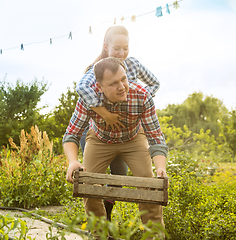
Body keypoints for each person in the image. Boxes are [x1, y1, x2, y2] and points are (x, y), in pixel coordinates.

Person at [63, 57, 168, 231]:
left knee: (149, 184)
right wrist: (73, 161)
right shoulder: (87, 100)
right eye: (113, 83)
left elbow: (156, 137)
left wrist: (160, 168)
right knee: (88, 184)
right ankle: (99, 234)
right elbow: (71, 134)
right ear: (100, 86)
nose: (122, 86)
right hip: (100, 139)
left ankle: (154, 235)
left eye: (124, 79)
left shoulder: (142, 96)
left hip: (133, 139)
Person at [77, 25, 160, 220]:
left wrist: (139, 98)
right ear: (106, 47)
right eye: (117, 48)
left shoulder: (132, 64)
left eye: (126, 47)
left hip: (128, 131)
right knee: (93, 180)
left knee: (118, 178)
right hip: (99, 132)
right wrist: (104, 112)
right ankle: (99, 225)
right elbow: (81, 88)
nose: (122, 53)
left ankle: (108, 214)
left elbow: (154, 83)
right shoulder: (96, 69)